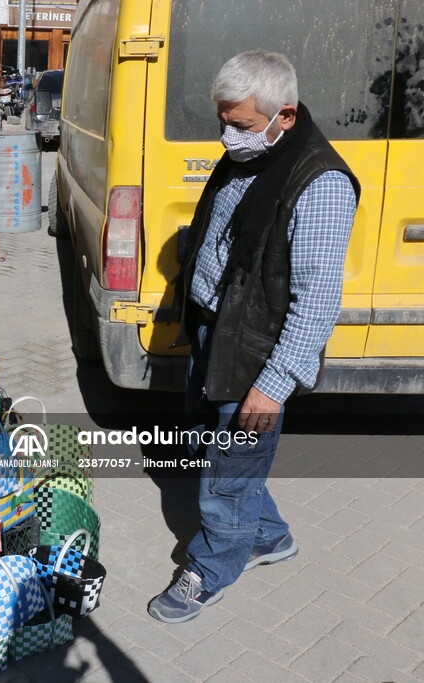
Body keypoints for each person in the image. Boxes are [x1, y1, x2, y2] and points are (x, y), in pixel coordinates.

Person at [148, 50, 359, 623]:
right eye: (223, 121)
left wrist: (272, 388)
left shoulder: (320, 184)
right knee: (213, 452)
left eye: (238, 124)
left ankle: (212, 566)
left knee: (227, 477)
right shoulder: (253, 151)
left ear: (284, 116)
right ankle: (269, 536)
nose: (227, 135)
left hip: (257, 359)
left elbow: (316, 304)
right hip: (218, 336)